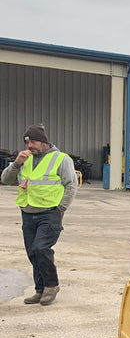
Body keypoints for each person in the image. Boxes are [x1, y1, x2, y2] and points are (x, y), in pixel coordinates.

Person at [1, 125, 78, 305]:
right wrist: (16, 163)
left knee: (41, 248)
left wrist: (61, 209)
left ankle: (51, 286)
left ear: (43, 142)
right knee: (33, 253)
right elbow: (5, 180)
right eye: (27, 142)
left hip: (50, 213)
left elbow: (71, 185)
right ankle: (40, 290)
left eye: (33, 141)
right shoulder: (24, 159)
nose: (29, 146)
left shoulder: (61, 159)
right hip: (27, 212)